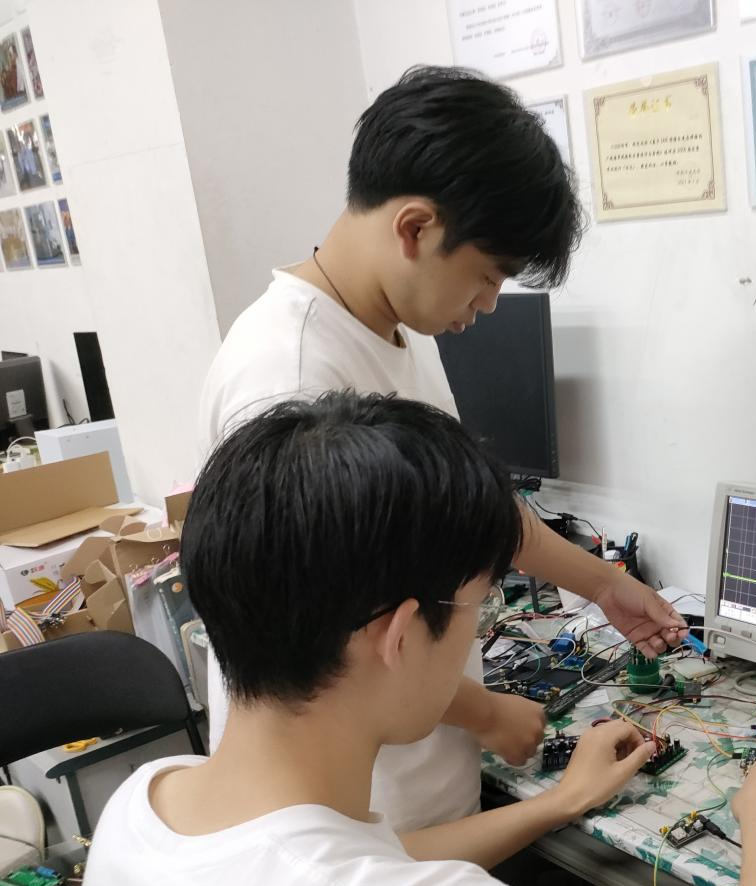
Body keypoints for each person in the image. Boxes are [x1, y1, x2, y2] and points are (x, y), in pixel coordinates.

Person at [65, 393, 756, 886]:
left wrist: (560, 802)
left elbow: (376, 863)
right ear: (398, 637)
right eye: (477, 609)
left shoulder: (144, 805)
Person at [195, 65, 686, 832]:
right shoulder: (288, 377)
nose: (487, 305)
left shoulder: (394, 323)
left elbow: (471, 512)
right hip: (354, 812)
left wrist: (602, 584)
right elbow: (324, 646)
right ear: (415, 229)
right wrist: (485, 710)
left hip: (419, 775)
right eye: (486, 276)